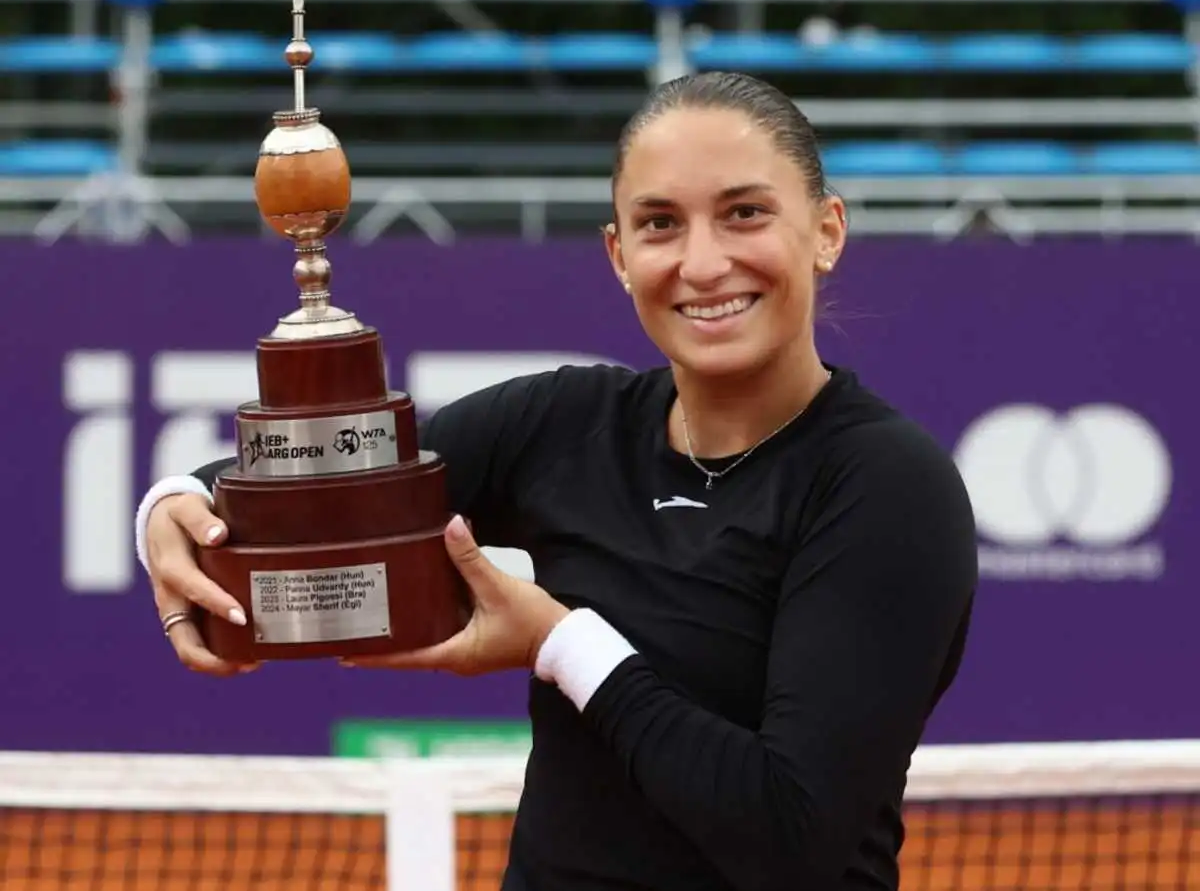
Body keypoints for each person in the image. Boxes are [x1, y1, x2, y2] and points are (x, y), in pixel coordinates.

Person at [135, 71, 978, 891]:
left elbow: (789, 838)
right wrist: (175, 501)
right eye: (659, 224)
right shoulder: (566, 420)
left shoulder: (887, 485)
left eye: (745, 213)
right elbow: (337, 490)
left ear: (827, 230)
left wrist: (561, 644)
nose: (703, 261)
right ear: (618, 253)